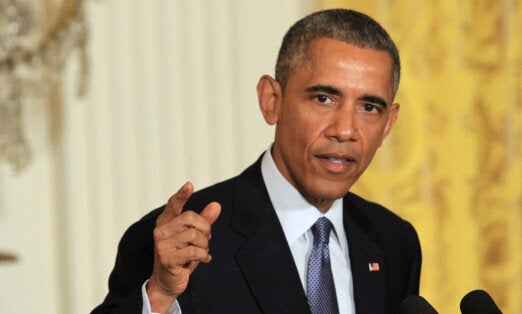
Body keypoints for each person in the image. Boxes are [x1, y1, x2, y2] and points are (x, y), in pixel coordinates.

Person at [92, 8, 421, 314]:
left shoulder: (393, 242)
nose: (346, 130)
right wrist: (161, 296)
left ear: (388, 124)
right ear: (272, 101)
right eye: (324, 98)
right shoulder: (179, 244)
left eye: (369, 107)